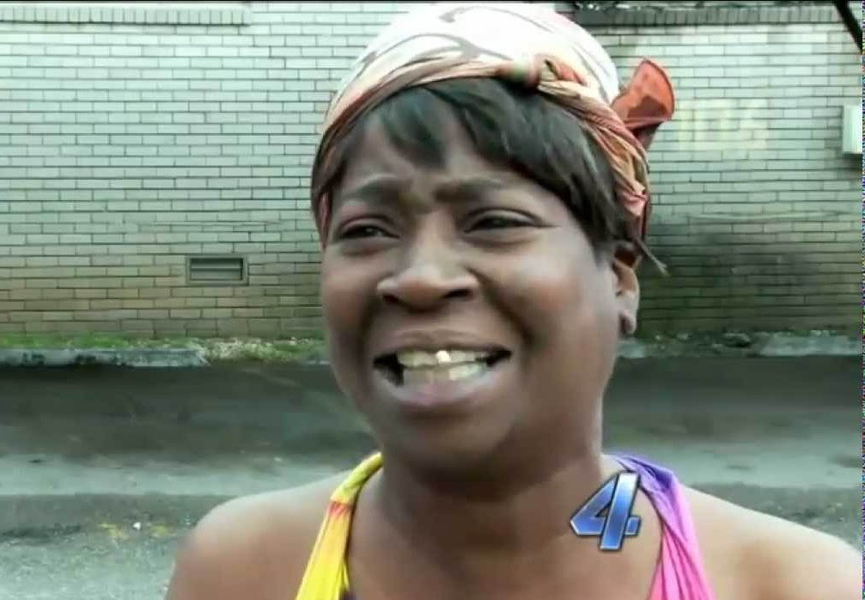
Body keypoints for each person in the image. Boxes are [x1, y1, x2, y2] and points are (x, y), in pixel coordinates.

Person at [166, 4, 859, 600]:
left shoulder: (791, 584)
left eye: (494, 221)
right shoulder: (245, 570)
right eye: (367, 230)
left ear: (620, 279)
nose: (420, 278)